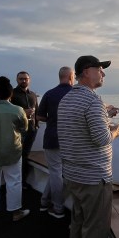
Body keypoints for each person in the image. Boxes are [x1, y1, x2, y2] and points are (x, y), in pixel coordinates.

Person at [57, 55, 119, 238]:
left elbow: (80, 127)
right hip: (94, 178)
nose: (103, 74)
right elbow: (101, 139)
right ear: (87, 71)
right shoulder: (92, 101)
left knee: (78, 225)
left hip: (73, 175)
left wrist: (103, 114)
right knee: (95, 231)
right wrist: (114, 130)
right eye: (100, 70)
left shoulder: (68, 99)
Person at [0, 76, 30, 223]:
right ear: (10, 94)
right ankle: (15, 212)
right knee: (14, 181)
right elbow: (24, 128)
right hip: (11, 151)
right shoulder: (18, 110)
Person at [36, 66, 75, 218]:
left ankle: (45, 202)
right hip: (71, 141)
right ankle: (58, 208)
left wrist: (52, 119)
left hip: (52, 138)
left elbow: (39, 117)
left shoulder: (49, 94)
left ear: (60, 77)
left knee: (55, 172)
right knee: (58, 173)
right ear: (71, 76)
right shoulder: (75, 94)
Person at [10, 71, 38, 189]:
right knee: (17, 156)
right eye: (21, 79)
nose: (23, 81)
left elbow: (37, 110)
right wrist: (23, 112)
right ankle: (15, 182)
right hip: (18, 130)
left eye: (26, 79)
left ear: (29, 80)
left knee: (25, 155)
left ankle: (23, 181)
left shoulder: (33, 95)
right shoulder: (12, 94)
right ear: (17, 80)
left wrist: (36, 125)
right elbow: (9, 112)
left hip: (31, 129)